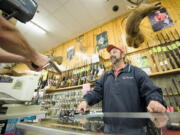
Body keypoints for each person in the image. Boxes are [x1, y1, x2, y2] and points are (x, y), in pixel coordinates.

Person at [77, 44, 167, 135]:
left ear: (123, 55)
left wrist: (154, 100)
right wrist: (86, 100)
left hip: (134, 128)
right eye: (110, 53)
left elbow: (151, 90)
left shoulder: (136, 72)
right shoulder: (105, 76)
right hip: (109, 127)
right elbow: (96, 92)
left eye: (115, 52)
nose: (111, 54)